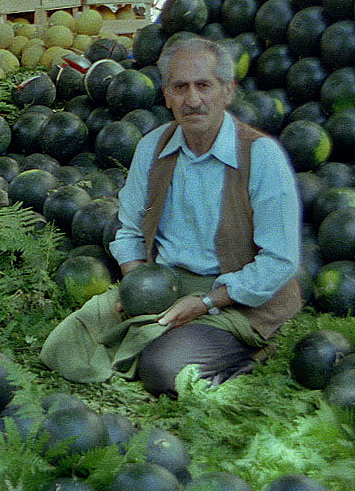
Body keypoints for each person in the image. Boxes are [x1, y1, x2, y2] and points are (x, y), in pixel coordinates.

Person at [41, 37, 302, 396]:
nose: (192, 100)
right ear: (165, 95)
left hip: (236, 294)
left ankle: (250, 350)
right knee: (62, 347)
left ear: (227, 91)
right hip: (166, 284)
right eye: (180, 87)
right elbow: (130, 231)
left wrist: (207, 302)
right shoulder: (152, 148)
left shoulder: (261, 156)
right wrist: (137, 287)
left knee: (162, 370)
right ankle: (171, 333)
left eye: (204, 86)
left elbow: (279, 261)